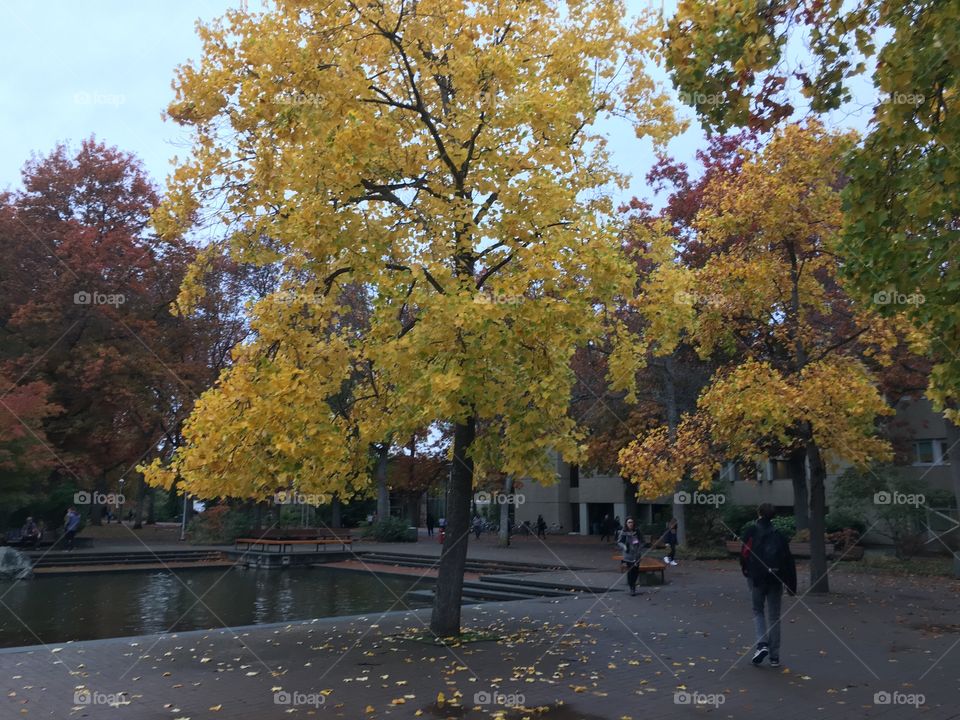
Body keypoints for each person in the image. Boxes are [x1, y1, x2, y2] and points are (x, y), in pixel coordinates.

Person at [739, 503, 797, 668]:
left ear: (759, 514)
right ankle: (774, 657)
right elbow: (788, 561)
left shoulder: (751, 531)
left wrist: (746, 570)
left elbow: (744, 553)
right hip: (776, 579)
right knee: (774, 617)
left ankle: (762, 644)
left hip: (757, 578)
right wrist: (790, 584)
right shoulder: (779, 535)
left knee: (758, 611)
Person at [617, 518, 643, 596]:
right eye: (629, 522)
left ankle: (633, 584)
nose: (630, 524)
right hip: (628, 555)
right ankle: (632, 588)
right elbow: (619, 542)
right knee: (630, 571)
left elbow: (642, 541)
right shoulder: (624, 532)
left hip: (636, 555)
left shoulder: (637, 531)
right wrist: (625, 547)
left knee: (636, 571)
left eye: (632, 522)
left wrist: (640, 547)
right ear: (626, 523)